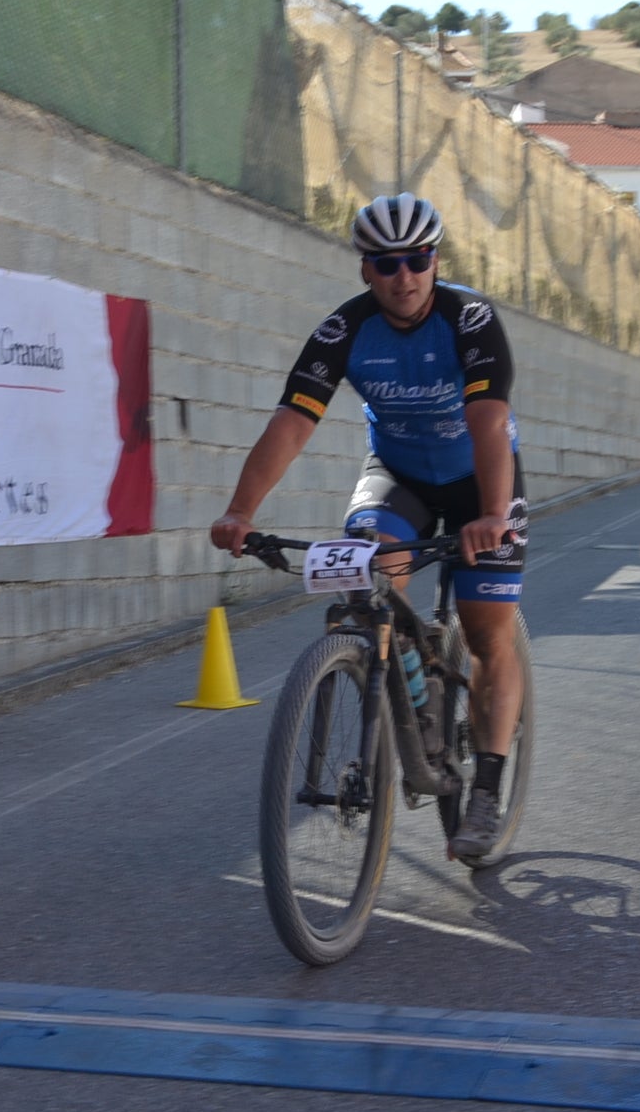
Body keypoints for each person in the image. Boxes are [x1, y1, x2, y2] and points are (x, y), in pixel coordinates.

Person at [209, 193, 526, 862]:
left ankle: (489, 791)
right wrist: (241, 511)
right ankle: (408, 678)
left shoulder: (468, 319)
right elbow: (293, 422)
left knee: (485, 625)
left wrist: (493, 515)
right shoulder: (344, 331)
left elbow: (488, 422)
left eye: (417, 259)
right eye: (386, 264)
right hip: (399, 473)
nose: (404, 276)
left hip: (479, 477)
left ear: (435, 259)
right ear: (365, 271)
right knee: (365, 573)